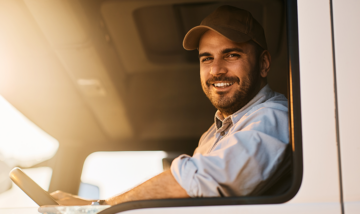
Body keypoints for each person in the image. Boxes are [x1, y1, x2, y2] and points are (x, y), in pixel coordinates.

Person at [51, 5, 289, 206]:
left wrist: (97, 207)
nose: (216, 69)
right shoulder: (214, 134)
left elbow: (198, 179)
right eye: (207, 58)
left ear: (264, 63)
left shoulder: (274, 117)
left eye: (231, 55)